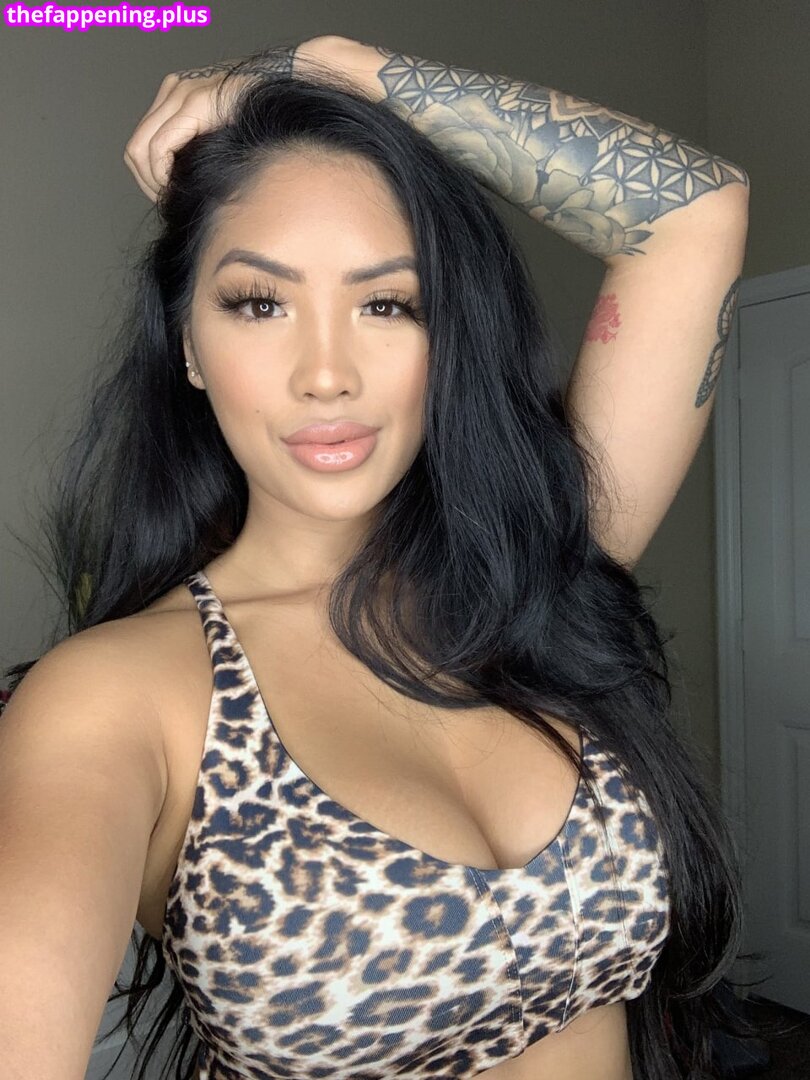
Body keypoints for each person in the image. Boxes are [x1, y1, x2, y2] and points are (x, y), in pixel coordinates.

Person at [1, 33, 775, 1080]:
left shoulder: (531, 570)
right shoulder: (117, 699)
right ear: (188, 343)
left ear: (446, 336)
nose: (327, 373)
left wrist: (317, 67)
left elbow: (690, 209)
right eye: (260, 303)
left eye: (388, 303)